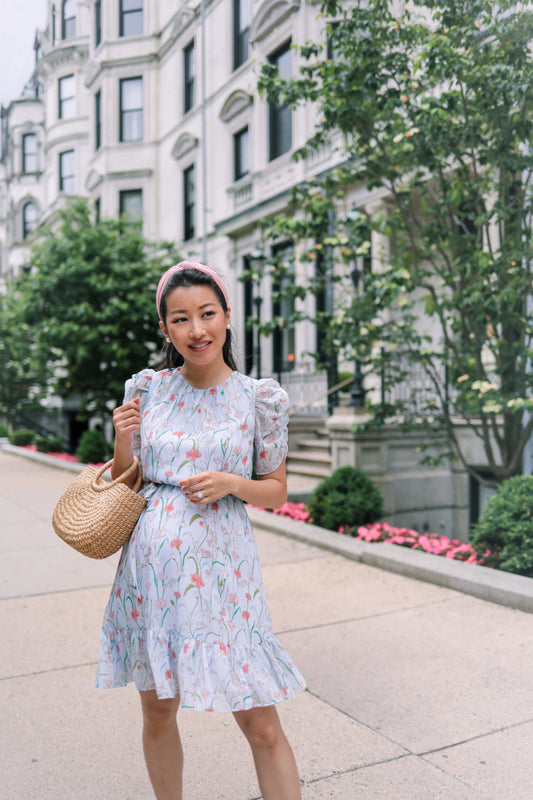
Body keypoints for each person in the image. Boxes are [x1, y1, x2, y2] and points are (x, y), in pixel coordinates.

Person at [95, 261, 306, 800]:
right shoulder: (149, 389)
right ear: (165, 329)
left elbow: (277, 489)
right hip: (151, 577)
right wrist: (122, 439)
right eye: (181, 318)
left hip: (225, 580)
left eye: (207, 314)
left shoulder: (258, 399)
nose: (197, 329)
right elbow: (124, 480)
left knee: (260, 723)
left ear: (227, 317)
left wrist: (235, 482)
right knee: (158, 710)